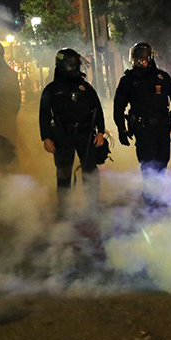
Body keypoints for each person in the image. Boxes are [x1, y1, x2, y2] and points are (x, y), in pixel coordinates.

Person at [114, 43, 171, 198]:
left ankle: (158, 189)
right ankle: (150, 195)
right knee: (148, 163)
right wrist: (121, 129)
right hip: (142, 128)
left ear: (149, 59)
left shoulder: (161, 77)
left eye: (142, 60)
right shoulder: (128, 80)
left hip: (162, 127)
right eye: (136, 60)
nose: (139, 63)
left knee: (163, 159)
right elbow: (118, 107)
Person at [39, 48, 105, 218]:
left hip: (85, 133)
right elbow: (44, 114)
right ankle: (64, 208)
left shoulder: (85, 87)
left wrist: (100, 132)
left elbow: (97, 108)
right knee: (63, 172)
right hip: (62, 136)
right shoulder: (51, 89)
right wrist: (46, 137)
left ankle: (92, 205)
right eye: (71, 65)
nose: (75, 69)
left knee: (90, 170)